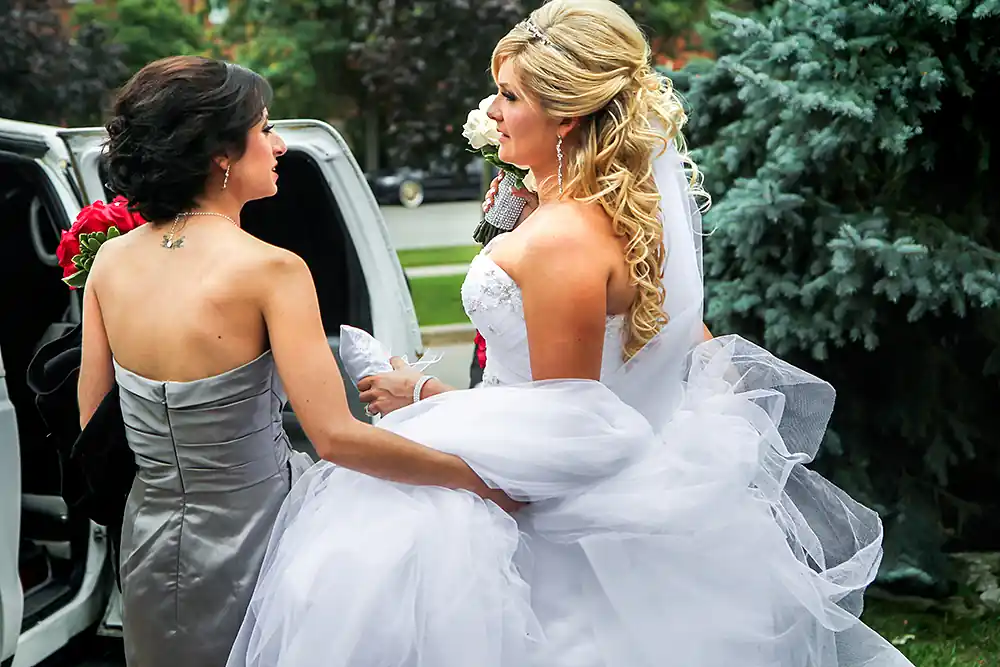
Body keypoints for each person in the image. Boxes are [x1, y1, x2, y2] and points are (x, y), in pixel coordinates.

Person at [226, 2, 914, 666]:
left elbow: (561, 423)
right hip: (625, 464)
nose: (491, 112)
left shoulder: (561, 240)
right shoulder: (604, 216)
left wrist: (425, 392)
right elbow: (671, 343)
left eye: (509, 96)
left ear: (567, 113)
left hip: (555, 527)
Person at [77, 55, 516, 667]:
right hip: (262, 539)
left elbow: (95, 423)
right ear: (221, 154)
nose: (279, 144)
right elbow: (335, 438)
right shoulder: (270, 270)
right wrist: (474, 478)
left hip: (149, 539)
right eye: (264, 128)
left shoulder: (111, 262)